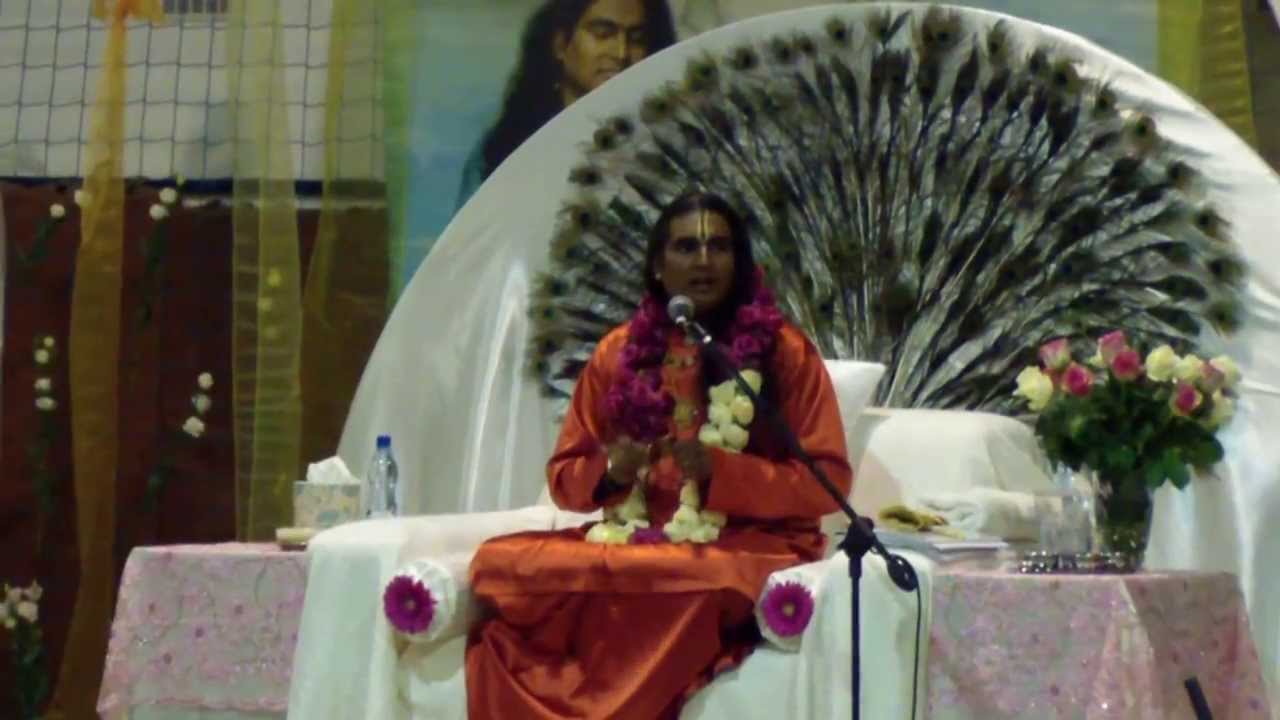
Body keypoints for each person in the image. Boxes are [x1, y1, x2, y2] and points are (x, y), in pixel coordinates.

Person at [464, 191, 854, 719]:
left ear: (740, 263)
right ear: (657, 265)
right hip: (632, 542)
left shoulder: (783, 352)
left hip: (745, 547)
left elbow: (825, 482)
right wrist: (612, 471)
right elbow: (565, 479)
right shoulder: (617, 352)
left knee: (700, 577)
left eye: (718, 246)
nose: (702, 261)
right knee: (497, 564)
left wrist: (722, 472)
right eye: (685, 246)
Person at [455, 0, 677, 208]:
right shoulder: (505, 148)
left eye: (637, 39)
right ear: (561, 44)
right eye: (603, 34)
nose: (621, 53)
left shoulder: (669, 146)